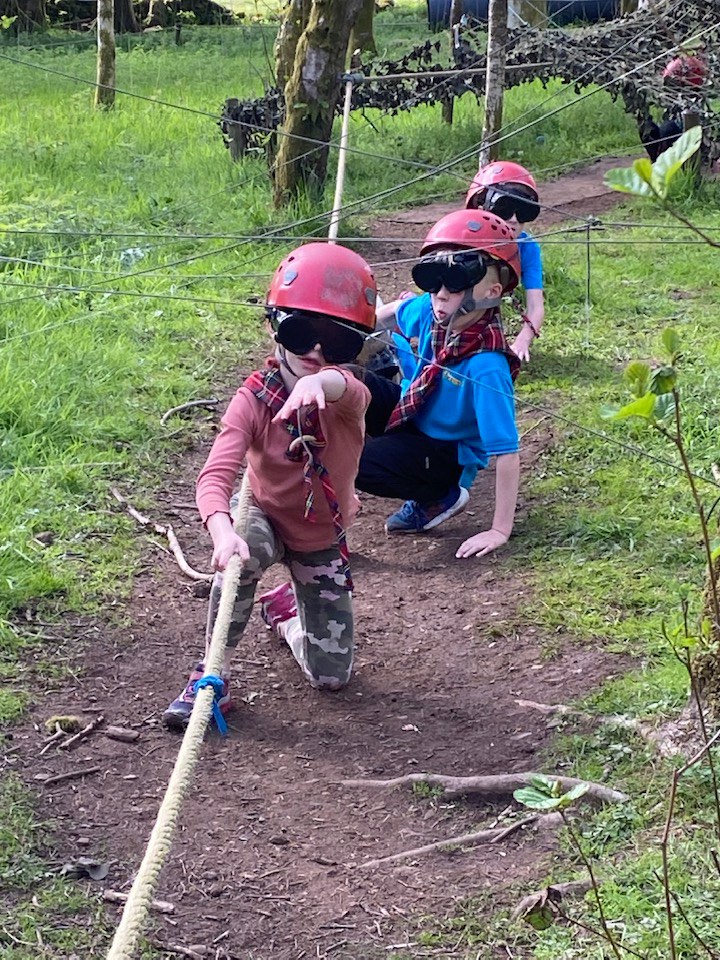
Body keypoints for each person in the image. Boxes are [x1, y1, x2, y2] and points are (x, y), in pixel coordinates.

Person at [163, 242, 375, 731]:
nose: (315, 352)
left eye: (337, 341)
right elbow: (215, 475)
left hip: (320, 534)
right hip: (264, 513)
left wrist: (321, 384)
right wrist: (222, 532)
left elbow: (347, 389)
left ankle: (283, 614)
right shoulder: (254, 398)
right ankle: (211, 674)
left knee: (332, 677)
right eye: (300, 332)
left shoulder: (348, 396)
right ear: (273, 327)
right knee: (240, 557)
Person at [355, 209, 521, 558]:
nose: (441, 295)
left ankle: (440, 496)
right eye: (433, 281)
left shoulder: (487, 366)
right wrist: (354, 334)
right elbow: (392, 314)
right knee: (350, 381)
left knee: (358, 462)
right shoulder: (431, 311)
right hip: (414, 411)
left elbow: (506, 452)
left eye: (455, 283)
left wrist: (499, 530)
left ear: (491, 291)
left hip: (447, 453)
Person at [465, 160, 544, 362]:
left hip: (483, 309)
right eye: (504, 208)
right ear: (482, 207)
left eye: (523, 211)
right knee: (403, 311)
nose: (514, 219)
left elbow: (536, 306)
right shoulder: (464, 238)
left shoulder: (527, 248)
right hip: (449, 307)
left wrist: (522, 341)